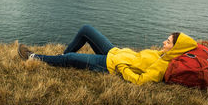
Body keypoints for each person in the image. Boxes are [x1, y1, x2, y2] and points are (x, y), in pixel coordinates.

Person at [18, 24, 198, 85]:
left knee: (72, 58)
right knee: (86, 29)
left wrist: (121, 67)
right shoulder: (162, 54)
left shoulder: (163, 65)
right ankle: (62, 58)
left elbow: (140, 80)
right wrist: (121, 54)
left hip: (109, 64)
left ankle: (33, 57)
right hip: (114, 51)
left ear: (175, 48)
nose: (163, 42)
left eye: (168, 42)